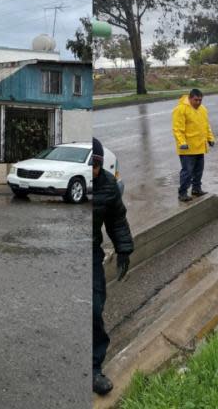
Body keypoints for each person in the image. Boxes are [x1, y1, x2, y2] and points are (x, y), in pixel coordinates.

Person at [92, 137, 133, 396]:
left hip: (90, 254)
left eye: (95, 165)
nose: (92, 171)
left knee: (94, 308)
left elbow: (117, 220)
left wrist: (124, 249)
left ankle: (93, 367)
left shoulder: (107, 185)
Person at [171, 88, 216, 202]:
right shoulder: (181, 109)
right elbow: (177, 129)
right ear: (190, 98)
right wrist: (182, 143)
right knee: (187, 172)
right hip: (187, 148)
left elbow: (206, 126)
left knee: (198, 170)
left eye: (200, 100)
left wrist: (210, 139)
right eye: (196, 100)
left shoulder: (203, 109)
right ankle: (182, 193)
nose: (198, 102)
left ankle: (196, 189)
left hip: (200, 146)